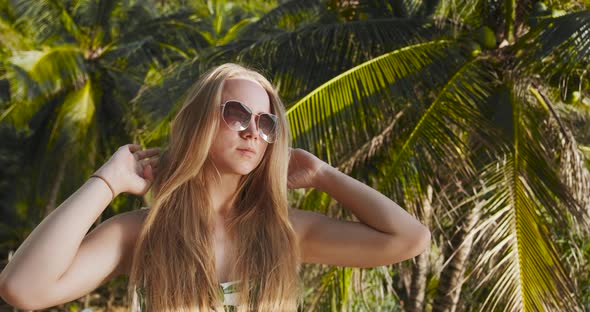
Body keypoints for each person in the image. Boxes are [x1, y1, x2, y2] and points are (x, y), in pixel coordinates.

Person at [0, 63, 431, 311]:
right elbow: (23, 289)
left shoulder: (285, 231)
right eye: (238, 113)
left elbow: (409, 239)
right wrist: (107, 182)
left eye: (266, 123)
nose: (252, 132)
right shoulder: (142, 233)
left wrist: (321, 174)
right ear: (198, 120)